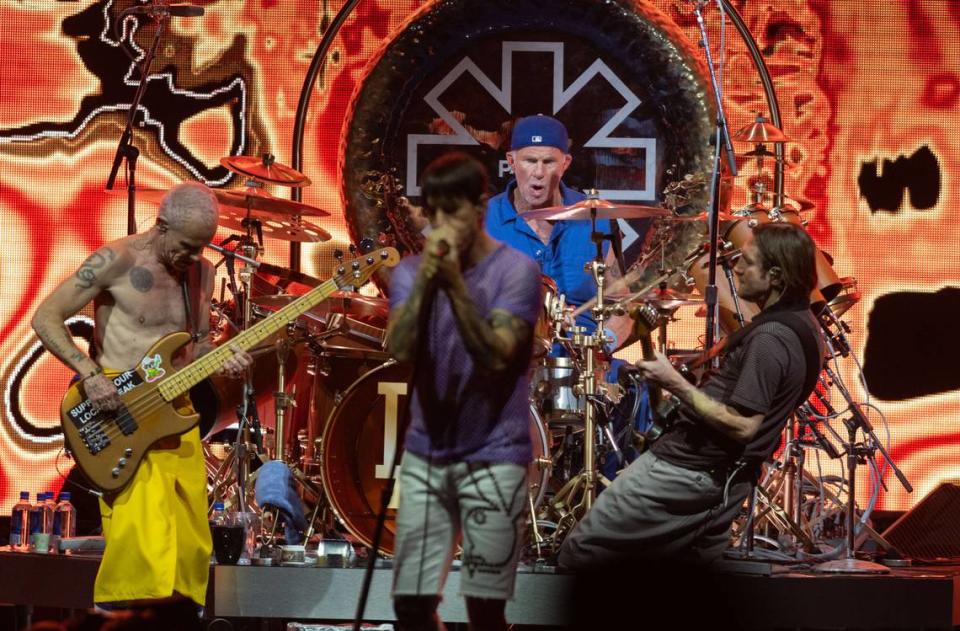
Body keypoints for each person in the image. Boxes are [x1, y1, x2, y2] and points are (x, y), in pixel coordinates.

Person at [31, 182, 252, 612]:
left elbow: (196, 346)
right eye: (187, 246)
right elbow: (46, 317)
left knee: (190, 538)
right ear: (162, 226)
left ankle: (180, 617)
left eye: (202, 247)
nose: (193, 257)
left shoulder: (201, 273)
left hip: (173, 410)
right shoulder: (117, 260)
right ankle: (126, 618)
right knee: (142, 536)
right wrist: (89, 375)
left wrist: (222, 359)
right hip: (120, 411)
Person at [559, 222, 824, 570]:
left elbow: (743, 426)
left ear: (775, 276)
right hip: (721, 478)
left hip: (686, 472)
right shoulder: (803, 325)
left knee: (581, 554)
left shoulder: (771, 339)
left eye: (747, 261)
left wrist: (675, 383)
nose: (737, 268)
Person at [387, 152, 542, 631]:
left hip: (494, 455)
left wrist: (454, 287)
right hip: (425, 455)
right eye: (431, 213)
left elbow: (498, 354)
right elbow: (399, 347)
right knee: (410, 605)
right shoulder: (410, 274)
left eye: (450, 213)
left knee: (484, 607)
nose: (439, 227)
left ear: (479, 210)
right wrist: (425, 287)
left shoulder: (516, 270)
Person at [485, 114, 633, 345]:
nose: (539, 173)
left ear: (565, 164)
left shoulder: (595, 219)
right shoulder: (482, 221)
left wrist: (602, 348)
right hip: (506, 363)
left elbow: (623, 307)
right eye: (530, 161)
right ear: (511, 162)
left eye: (549, 162)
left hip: (583, 363)